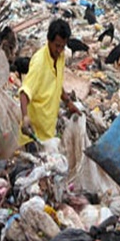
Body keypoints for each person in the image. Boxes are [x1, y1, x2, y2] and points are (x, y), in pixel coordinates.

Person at [19, 18, 80, 146]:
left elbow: (56, 83)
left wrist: (68, 102)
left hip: (48, 132)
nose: (59, 50)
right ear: (49, 40)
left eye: (62, 46)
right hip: (33, 136)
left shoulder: (61, 57)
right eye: (57, 45)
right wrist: (25, 117)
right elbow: (24, 92)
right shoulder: (39, 62)